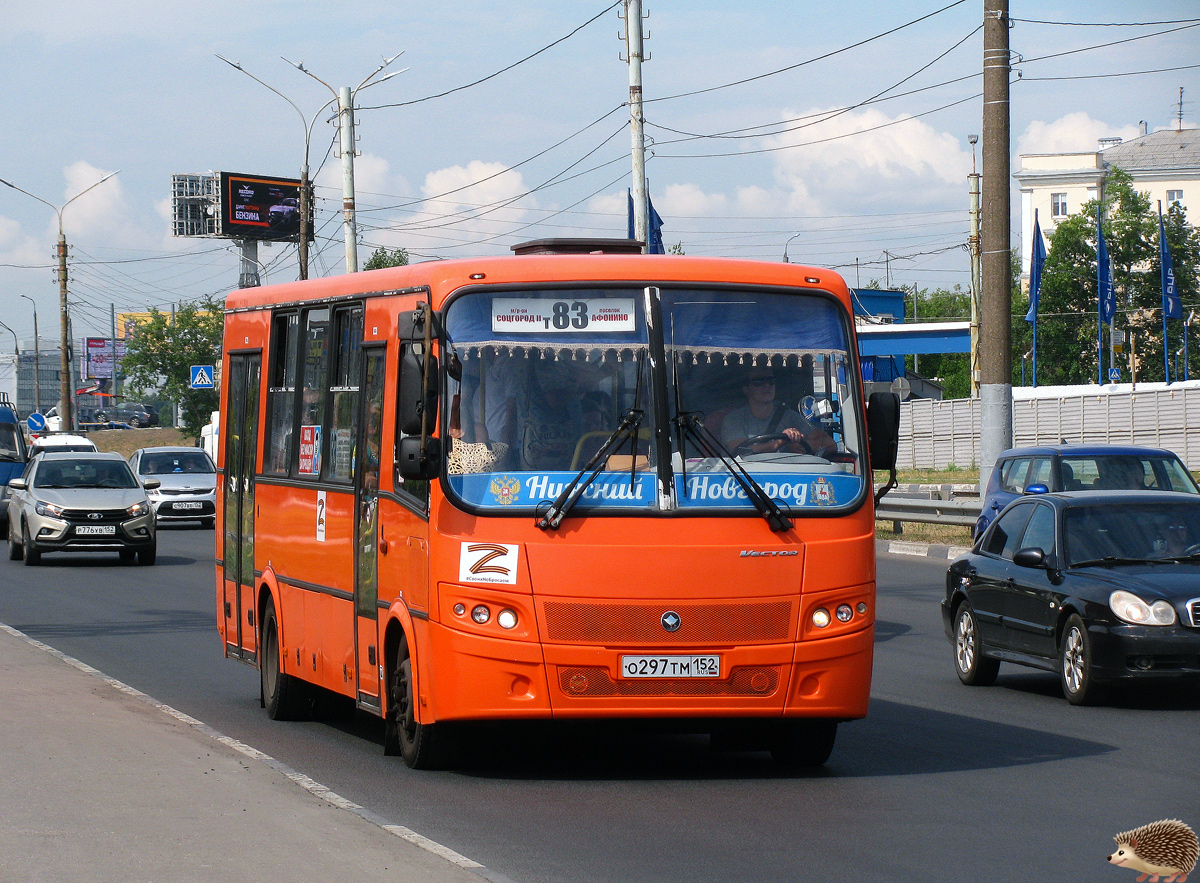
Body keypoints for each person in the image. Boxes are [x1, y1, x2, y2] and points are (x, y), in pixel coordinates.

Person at [720, 369, 834, 456]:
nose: (767, 386)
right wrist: (780, 442)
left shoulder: (788, 416)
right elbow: (740, 452)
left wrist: (802, 445)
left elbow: (830, 444)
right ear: (746, 389)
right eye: (759, 382)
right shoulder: (734, 419)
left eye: (771, 381)